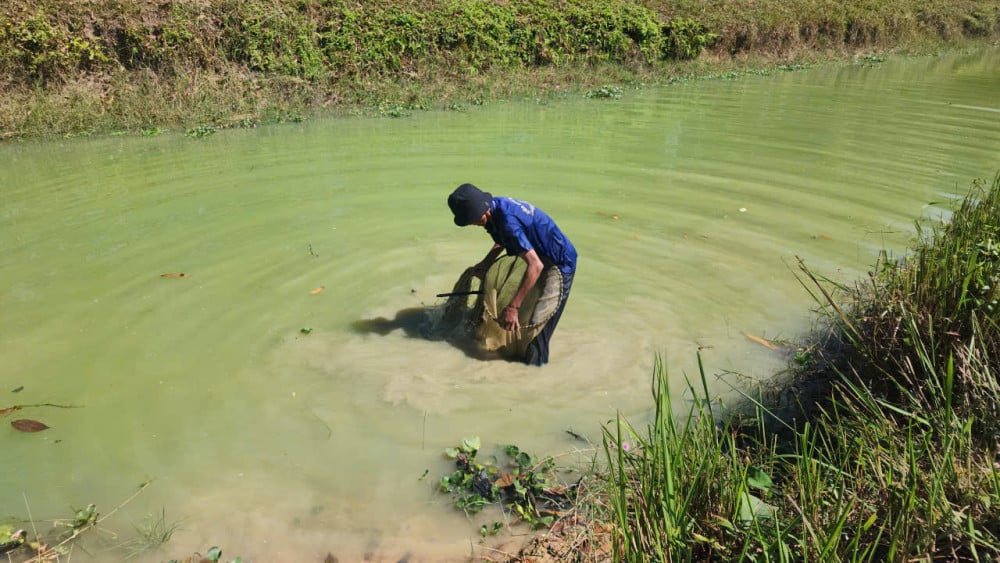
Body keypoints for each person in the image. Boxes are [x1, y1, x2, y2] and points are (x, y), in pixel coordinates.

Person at [447, 183, 577, 366]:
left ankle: (535, 373)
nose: (472, 224)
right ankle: (517, 362)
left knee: (537, 329)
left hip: (560, 263)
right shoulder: (496, 208)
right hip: (539, 255)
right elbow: (504, 240)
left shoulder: (507, 221)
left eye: (471, 219)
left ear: (481, 212)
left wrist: (513, 308)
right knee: (525, 311)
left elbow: (535, 266)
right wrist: (487, 262)